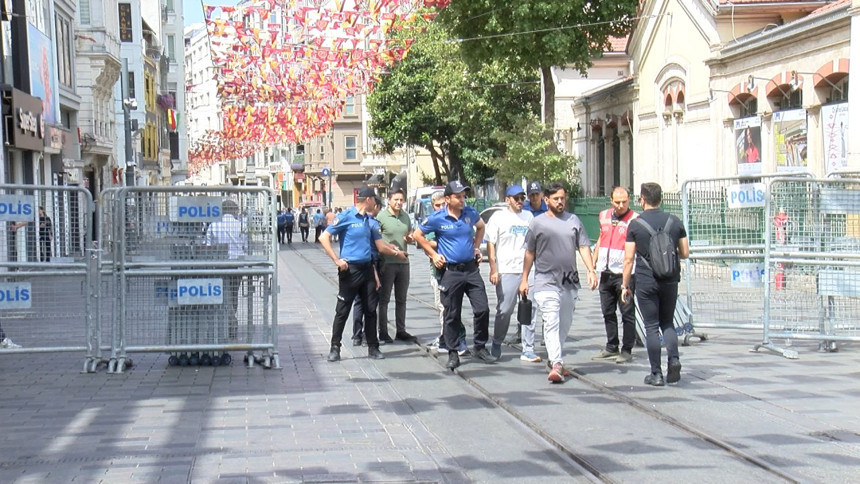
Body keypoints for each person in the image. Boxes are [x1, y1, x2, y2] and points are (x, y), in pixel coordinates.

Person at [519, 182, 598, 383]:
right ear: (547, 200)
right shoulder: (537, 223)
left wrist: (590, 270)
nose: (560, 202)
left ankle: (554, 358)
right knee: (551, 320)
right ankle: (556, 362)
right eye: (556, 199)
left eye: (563, 198)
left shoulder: (574, 220)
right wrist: (524, 279)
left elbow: (583, 247)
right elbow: (529, 252)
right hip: (545, 281)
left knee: (564, 323)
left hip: (569, 281)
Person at [414, 180, 494, 370]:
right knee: (452, 314)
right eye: (458, 196)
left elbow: (481, 227)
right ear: (448, 199)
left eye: (463, 196)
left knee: (482, 308)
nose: (462, 200)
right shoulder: (437, 218)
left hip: (471, 270)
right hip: (451, 272)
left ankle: (480, 346)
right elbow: (417, 235)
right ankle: (452, 352)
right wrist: (433, 255)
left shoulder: (469, 214)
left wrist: (476, 247)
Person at [320, 187, 407, 362]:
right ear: (368, 200)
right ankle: (335, 347)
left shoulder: (371, 222)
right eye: (374, 199)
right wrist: (337, 260)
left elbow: (380, 247)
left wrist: (392, 254)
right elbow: (324, 237)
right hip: (350, 270)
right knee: (342, 310)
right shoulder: (346, 216)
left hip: (367, 269)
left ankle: (373, 347)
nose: (376, 203)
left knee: (370, 309)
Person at [621, 182, 690, 386]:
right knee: (667, 322)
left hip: (646, 280)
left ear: (642, 199)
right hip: (670, 280)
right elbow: (685, 253)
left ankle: (656, 374)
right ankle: (674, 360)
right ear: (660, 199)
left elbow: (628, 258)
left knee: (651, 326)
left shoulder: (635, 225)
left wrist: (625, 286)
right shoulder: (674, 221)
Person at [486, 185, 541, 363]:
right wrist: (494, 268)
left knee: (528, 308)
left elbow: (533, 243)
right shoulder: (498, 218)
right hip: (507, 270)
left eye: (522, 198)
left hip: (527, 269)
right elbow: (491, 243)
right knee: (505, 309)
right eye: (516, 198)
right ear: (507, 199)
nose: (520, 201)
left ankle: (528, 348)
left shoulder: (529, 217)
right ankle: (497, 341)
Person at [591, 187, 638, 364]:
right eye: (617, 202)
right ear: (611, 200)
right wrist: (592, 265)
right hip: (605, 271)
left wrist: (627, 279)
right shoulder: (603, 215)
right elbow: (600, 238)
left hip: (624, 273)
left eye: (624, 201)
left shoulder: (634, 219)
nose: (621, 205)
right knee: (607, 311)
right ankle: (612, 346)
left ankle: (627, 349)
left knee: (626, 312)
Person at [424, 192, 468, 355]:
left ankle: (455, 339)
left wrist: (439, 241)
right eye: (437, 205)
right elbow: (425, 242)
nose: (441, 207)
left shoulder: (456, 218)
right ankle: (447, 337)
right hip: (437, 272)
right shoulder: (433, 221)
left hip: (454, 271)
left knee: (448, 307)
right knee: (442, 306)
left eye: (443, 204)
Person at [376, 186, 416, 343]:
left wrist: (410, 237)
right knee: (384, 299)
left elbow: (410, 233)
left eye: (401, 200)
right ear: (389, 201)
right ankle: (383, 331)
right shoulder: (381, 217)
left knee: (402, 299)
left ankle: (401, 330)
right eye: (396, 200)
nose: (399, 203)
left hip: (404, 262)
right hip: (387, 263)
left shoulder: (405, 217)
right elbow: (376, 239)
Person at [205, 199, 247, 340]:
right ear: (234, 210)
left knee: (222, 295)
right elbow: (245, 245)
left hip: (219, 265)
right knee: (234, 294)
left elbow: (207, 245)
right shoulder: (240, 225)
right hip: (236, 264)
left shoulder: (214, 225)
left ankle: (227, 322)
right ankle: (231, 322)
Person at [351, 196, 384, 346]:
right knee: (371, 302)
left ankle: (356, 335)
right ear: (374, 205)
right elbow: (380, 247)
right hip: (372, 263)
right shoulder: (372, 223)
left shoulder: (359, 221)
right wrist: (396, 252)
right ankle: (367, 336)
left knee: (358, 301)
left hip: (359, 263)